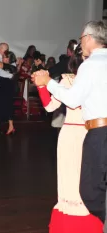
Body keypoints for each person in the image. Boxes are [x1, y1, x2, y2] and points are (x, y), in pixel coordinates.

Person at [32, 20, 107, 224]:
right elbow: (50, 106)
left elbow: (59, 103)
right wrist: (43, 86)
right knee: (86, 178)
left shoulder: (85, 71)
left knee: (87, 181)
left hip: (88, 132)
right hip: (83, 132)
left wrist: (45, 84)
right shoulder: (68, 79)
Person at [0, 48, 17, 137]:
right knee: (0, 107)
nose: (3, 58)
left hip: (7, 87)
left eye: (5, 57)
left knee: (6, 106)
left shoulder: (12, 66)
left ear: (10, 58)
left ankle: (4, 127)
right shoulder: (5, 65)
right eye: (3, 57)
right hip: (1, 87)